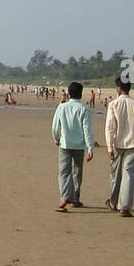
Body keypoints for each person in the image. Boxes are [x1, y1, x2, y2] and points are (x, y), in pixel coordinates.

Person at [105, 77, 134, 217]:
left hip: (118, 145)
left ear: (118, 88)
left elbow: (110, 128)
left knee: (115, 175)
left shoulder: (113, 104)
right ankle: (124, 206)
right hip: (132, 145)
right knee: (128, 177)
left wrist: (109, 147)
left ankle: (113, 202)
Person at [51, 82, 94, 212]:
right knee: (77, 172)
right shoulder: (84, 109)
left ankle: (65, 197)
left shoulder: (62, 107)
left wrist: (56, 138)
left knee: (64, 172)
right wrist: (90, 147)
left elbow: (55, 126)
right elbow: (87, 130)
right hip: (79, 145)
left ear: (69, 93)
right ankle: (74, 198)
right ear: (80, 94)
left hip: (65, 144)